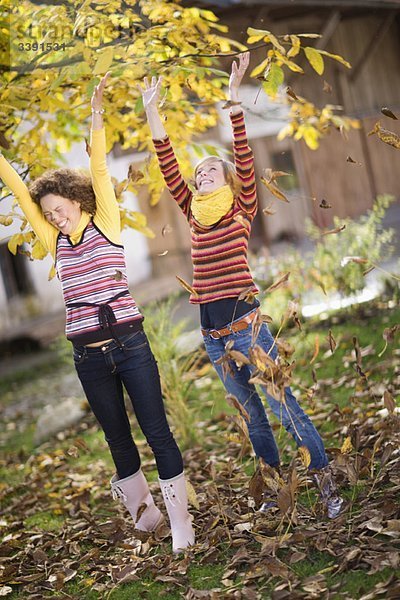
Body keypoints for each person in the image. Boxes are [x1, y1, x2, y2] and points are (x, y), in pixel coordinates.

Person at [140, 52, 343, 519]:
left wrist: (232, 102)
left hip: (248, 327)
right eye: (198, 175)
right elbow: (168, 163)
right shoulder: (194, 211)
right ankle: (275, 491)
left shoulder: (240, 206)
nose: (200, 174)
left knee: (283, 406)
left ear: (228, 179)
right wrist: (153, 111)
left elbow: (245, 158)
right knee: (253, 418)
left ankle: (326, 482)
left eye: (210, 170)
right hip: (212, 336)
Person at [0, 73, 194, 553]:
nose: (53, 217)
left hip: (130, 347)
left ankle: (181, 523)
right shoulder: (54, 241)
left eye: (59, 209)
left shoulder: (104, 220)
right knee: (118, 441)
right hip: (88, 357)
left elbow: (99, 166)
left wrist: (96, 113)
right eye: (47, 214)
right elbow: (20, 194)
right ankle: (145, 514)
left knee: (157, 433)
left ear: (76, 200)